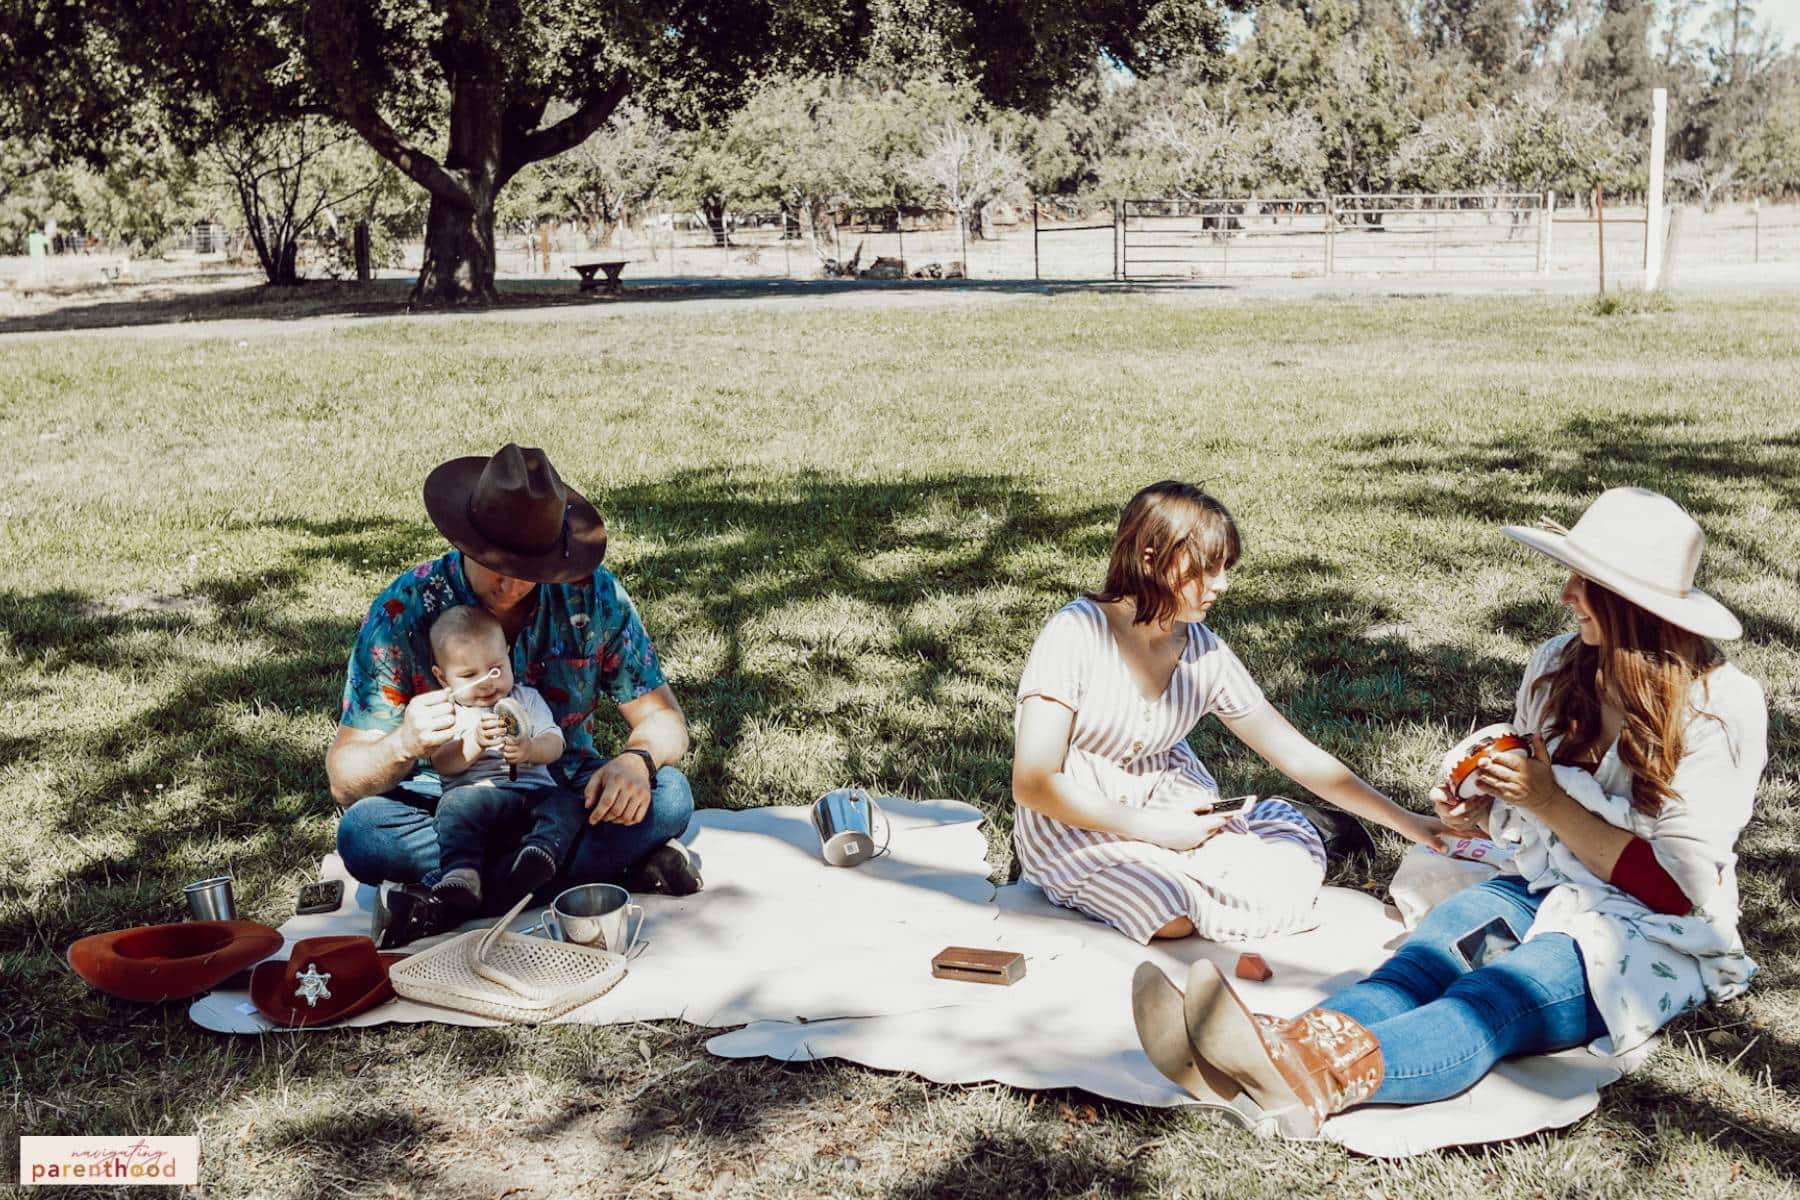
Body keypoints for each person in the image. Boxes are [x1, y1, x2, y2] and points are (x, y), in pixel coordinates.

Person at [1138, 487, 1767, 1138]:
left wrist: (1546, 798)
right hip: (1545, 884)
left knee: (1496, 995)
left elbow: (1674, 886)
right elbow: (1529, 812)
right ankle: (1272, 1047)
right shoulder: (1559, 666)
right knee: (1428, 959)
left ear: (1632, 605)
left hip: (1651, 931)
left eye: (1585, 582)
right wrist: (1481, 807)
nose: (1565, 595)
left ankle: (1305, 1074)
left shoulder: (1721, 710)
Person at [1011, 481, 1445, 947]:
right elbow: (1033, 782)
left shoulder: (1202, 650)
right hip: (1077, 823)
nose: (1222, 585)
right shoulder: (1075, 633)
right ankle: (1261, 839)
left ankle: (1289, 823)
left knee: (1272, 889)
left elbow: (1294, 753)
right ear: (1150, 559)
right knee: (1169, 915)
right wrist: (1156, 830)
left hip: (1173, 808)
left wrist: (1409, 822)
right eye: (1206, 570)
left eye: (1224, 569)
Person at [329, 444, 701, 946]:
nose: (508, 585)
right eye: (494, 565)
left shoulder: (591, 594)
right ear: (465, 541)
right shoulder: (404, 610)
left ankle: (453, 893)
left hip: (562, 793)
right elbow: (345, 779)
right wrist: (402, 745)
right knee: (364, 832)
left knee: (671, 795)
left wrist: (637, 761)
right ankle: (599, 868)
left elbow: (665, 721)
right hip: (449, 804)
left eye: (528, 568)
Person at [420, 604, 581, 925]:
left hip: (533, 797)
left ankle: (540, 856)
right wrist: (474, 743)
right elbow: (443, 763)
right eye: (467, 675)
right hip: (479, 799)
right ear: (442, 677)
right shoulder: (450, 713)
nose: (486, 683)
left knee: (567, 802)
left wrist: (529, 749)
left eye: (495, 669)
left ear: (509, 655)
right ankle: (463, 874)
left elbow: (555, 742)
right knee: (454, 805)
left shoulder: (526, 699)